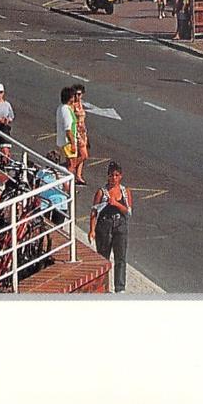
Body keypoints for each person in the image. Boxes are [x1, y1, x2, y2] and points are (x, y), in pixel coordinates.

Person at [89, 161, 132, 293]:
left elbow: (128, 211)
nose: (113, 178)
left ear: (120, 176)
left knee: (120, 258)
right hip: (104, 226)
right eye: (111, 175)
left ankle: (120, 288)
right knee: (103, 258)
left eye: (116, 175)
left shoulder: (125, 192)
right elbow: (94, 212)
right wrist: (92, 230)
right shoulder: (101, 192)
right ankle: (103, 286)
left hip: (120, 226)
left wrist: (116, 204)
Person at [55, 86, 80, 185]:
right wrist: (73, 143)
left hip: (64, 141)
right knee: (71, 164)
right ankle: (67, 185)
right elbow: (68, 129)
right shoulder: (66, 110)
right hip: (68, 142)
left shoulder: (62, 108)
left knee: (70, 163)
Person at [70, 83, 90, 184]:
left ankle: (78, 175)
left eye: (80, 94)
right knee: (84, 155)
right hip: (76, 132)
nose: (78, 96)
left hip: (83, 131)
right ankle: (70, 169)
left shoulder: (80, 103)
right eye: (76, 94)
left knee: (81, 154)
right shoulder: (72, 105)